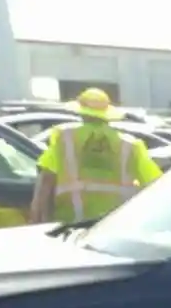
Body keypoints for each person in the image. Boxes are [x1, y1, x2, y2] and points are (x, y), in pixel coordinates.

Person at [28, 89, 162, 224]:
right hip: (115, 228)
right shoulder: (130, 145)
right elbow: (156, 186)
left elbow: (45, 184)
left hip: (71, 227)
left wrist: (39, 222)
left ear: (81, 113)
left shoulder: (65, 139)